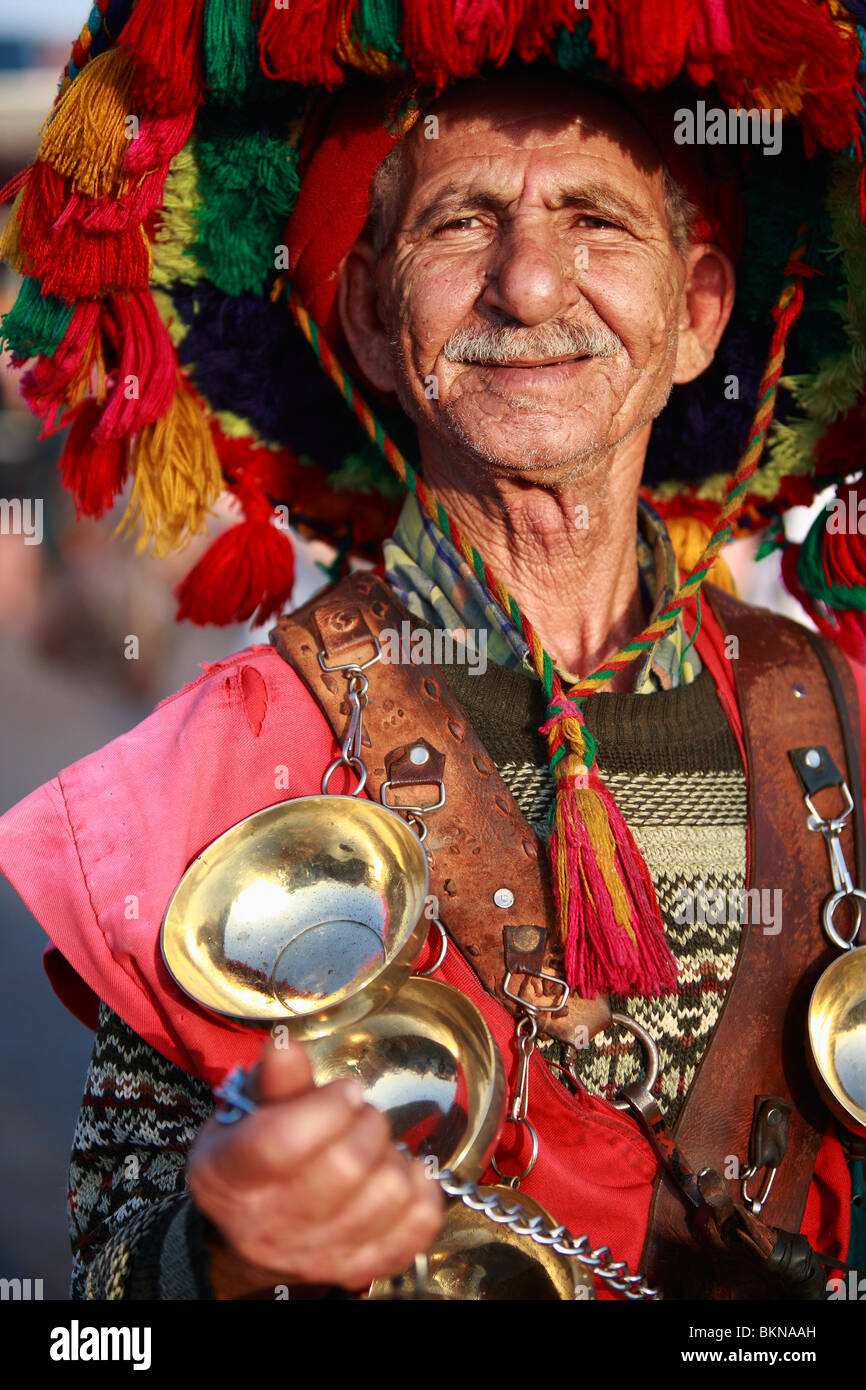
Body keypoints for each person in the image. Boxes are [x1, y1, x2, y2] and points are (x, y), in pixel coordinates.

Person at [1, 1, 865, 1301]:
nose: (526, 284)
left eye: (594, 219)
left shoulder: (839, 721)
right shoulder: (229, 762)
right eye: (460, 223)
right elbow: (99, 1307)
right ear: (363, 313)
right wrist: (229, 1247)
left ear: (695, 312)